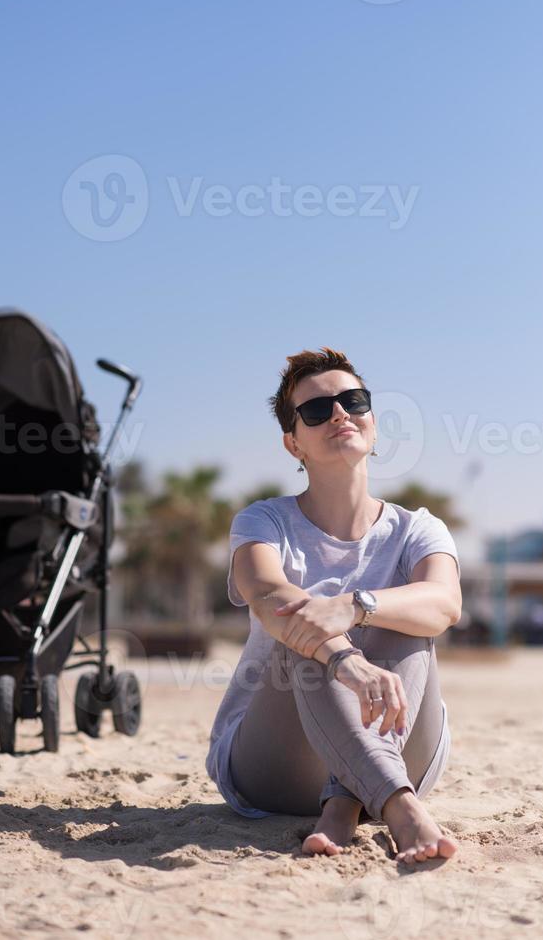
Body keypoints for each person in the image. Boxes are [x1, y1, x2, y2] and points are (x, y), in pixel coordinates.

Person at [205, 347, 461, 865]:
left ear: (372, 423)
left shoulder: (419, 528)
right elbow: (267, 593)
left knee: (406, 615)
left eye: (353, 401)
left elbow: (444, 603)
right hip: (275, 766)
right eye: (318, 410)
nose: (339, 414)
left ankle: (345, 801)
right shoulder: (263, 521)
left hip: (403, 742)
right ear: (292, 443)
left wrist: (355, 605)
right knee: (302, 622)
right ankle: (398, 806)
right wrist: (344, 657)